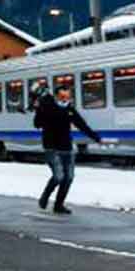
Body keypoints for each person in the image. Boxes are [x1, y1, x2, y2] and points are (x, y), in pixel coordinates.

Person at [33, 84, 102, 213]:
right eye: (63, 95)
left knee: (68, 178)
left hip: (67, 148)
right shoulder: (47, 106)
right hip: (51, 147)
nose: (65, 98)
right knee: (58, 176)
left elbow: (81, 124)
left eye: (68, 95)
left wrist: (95, 137)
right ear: (57, 95)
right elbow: (37, 124)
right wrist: (38, 110)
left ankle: (58, 206)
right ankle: (45, 196)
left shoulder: (69, 109)